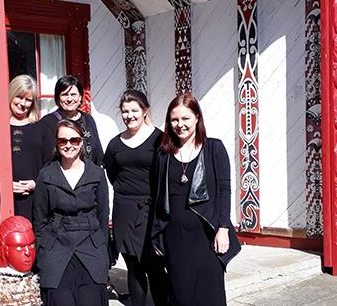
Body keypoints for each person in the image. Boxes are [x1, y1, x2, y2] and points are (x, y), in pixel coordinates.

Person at [151, 93, 241, 306]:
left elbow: (224, 190)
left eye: (185, 118)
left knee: (209, 294)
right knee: (180, 294)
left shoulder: (214, 149)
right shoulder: (163, 153)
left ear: (197, 118)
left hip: (206, 234)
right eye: (174, 119)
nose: (179, 125)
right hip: (175, 237)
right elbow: (157, 195)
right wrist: (157, 234)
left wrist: (223, 228)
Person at [33, 119, 109, 306]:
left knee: (90, 299)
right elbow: (39, 219)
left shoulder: (96, 174)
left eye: (74, 140)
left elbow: (102, 216)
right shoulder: (46, 175)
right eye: (62, 141)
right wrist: (44, 253)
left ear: (81, 142)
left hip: (90, 246)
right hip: (56, 247)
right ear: (56, 144)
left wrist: (101, 252)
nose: (68, 145)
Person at [103, 90, 169, 306]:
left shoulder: (160, 139)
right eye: (125, 111)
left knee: (154, 263)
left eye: (134, 110)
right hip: (124, 208)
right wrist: (126, 193)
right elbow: (112, 173)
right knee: (133, 263)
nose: (129, 115)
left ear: (144, 110)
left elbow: (165, 173)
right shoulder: (115, 144)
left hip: (151, 208)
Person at [38, 75, 103, 166]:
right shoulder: (48, 122)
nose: (69, 99)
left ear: (80, 97)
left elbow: (98, 154)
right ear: (58, 98)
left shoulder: (88, 119)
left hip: (90, 176)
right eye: (64, 95)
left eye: (73, 94)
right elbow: (46, 159)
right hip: (61, 177)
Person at [8, 75, 47, 220]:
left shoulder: (40, 128)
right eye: (19, 97)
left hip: (34, 201)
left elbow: (50, 164)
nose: (22, 103)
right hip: (5, 201)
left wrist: (36, 183)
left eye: (28, 100)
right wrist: (5, 185)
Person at [0, 216, 42, 306]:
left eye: (31, 245)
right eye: (19, 247)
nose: (27, 253)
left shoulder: (34, 283)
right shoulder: (1, 291)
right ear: (4, 250)